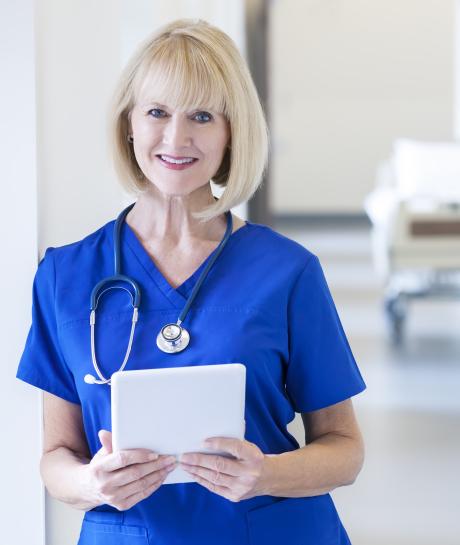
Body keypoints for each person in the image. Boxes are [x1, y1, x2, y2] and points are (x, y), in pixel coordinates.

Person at [16, 18, 366, 545]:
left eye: (202, 116)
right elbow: (55, 458)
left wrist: (265, 474)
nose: (176, 138)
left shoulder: (288, 271)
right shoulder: (65, 276)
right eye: (157, 112)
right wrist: (92, 483)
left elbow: (344, 449)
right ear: (129, 123)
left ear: (231, 134)